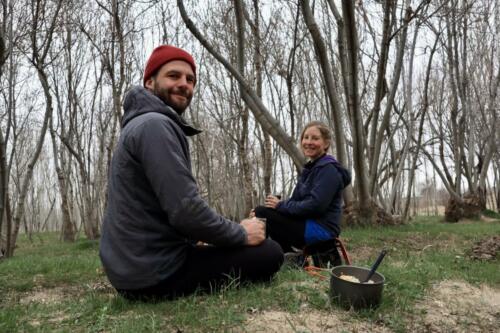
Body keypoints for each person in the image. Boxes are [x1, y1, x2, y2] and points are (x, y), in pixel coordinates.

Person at [99, 45, 284, 301]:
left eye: (190, 79)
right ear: (150, 82)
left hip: (134, 268)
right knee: (269, 253)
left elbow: (164, 208)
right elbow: (186, 211)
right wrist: (241, 233)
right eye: (173, 76)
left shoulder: (142, 124)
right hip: (153, 274)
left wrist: (205, 237)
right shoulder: (155, 125)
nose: (184, 84)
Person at [254, 121, 351, 266]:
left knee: (263, 213)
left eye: (315, 138)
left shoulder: (328, 170)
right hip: (309, 224)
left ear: (326, 144)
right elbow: (296, 202)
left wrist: (280, 206)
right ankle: (289, 258)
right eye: (305, 137)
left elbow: (316, 205)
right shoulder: (311, 169)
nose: (308, 142)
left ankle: (282, 258)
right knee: (264, 211)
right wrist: (275, 208)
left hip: (322, 229)